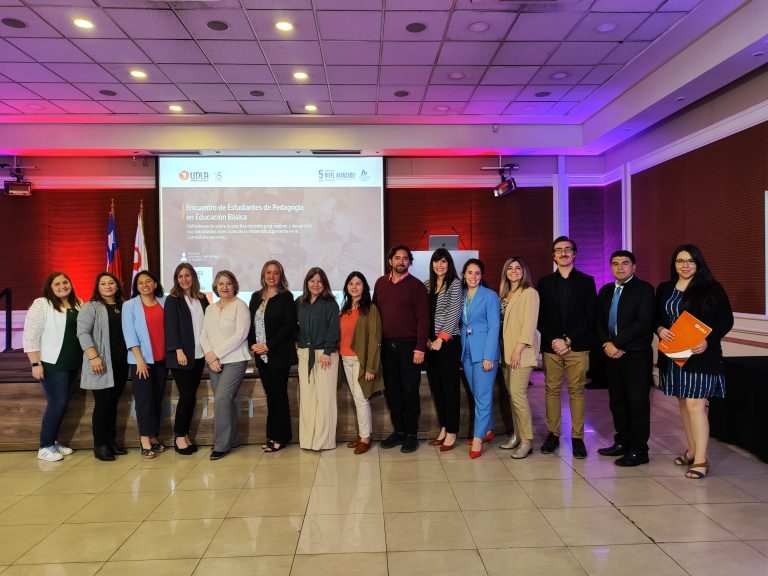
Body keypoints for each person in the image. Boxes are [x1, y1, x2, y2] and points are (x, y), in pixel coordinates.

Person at [656, 244, 733, 479]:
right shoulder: (665, 288)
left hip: (701, 355)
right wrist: (659, 329)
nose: (685, 265)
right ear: (674, 264)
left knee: (695, 405)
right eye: (680, 261)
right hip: (674, 355)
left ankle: (701, 460)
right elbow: (656, 317)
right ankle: (691, 451)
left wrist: (708, 341)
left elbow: (725, 320)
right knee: (683, 403)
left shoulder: (712, 288)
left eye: (690, 261)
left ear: (698, 264)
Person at [537, 236, 596, 458]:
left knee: (576, 391)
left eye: (567, 249)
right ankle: (553, 435)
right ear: (553, 256)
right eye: (558, 250)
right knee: (551, 390)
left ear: (574, 254)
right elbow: (541, 317)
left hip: (578, 346)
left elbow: (590, 316)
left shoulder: (587, 281)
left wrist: (568, 340)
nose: (563, 253)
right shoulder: (544, 283)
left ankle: (577, 438)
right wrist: (555, 340)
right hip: (551, 346)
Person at [595, 251, 656, 467]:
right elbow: (598, 321)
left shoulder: (645, 290)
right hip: (611, 355)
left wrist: (616, 344)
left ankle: (639, 450)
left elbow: (643, 323)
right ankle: (622, 442)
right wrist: (606, 344)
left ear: (634, 267)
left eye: (624, 263)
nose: (620, 268)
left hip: (636, 356)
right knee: (617, 402)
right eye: (615, 264)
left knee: (637, 403)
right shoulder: (605, 291)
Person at [373, 245, 430, 453]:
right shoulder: (380, 284)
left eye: (405, 259)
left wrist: (420, 348)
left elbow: (424, 319)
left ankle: (411, 434)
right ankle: (398, 431)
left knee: (410, 392)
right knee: (393, 391)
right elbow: (374, 316)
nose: (401, 262)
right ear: (390, 261)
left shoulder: (417, 286)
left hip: (409, 347)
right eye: (397, 258)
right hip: (387, 347)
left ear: (410, 262)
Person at [23, 272, 82, 462]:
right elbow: (30, 335)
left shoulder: (78, 303)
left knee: (62, 403)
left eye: (66, 282)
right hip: (52, 363)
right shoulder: (42, 304)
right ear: (50, 286)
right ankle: (45, 446)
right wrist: (35, 363)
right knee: (56, 403)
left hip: (73, 363)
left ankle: (53, 442)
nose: (62, 286)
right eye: (57, 283)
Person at [77, 272, 129, 461]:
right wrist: (94, 357)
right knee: (103, 405)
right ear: (97, 288)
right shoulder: (91, 307)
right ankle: (100, 445)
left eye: (111, 282)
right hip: (101, 363)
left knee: (113, 404)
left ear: (117, 285)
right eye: (103, 284)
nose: (107, 286)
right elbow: (82, 333)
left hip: (121, 363)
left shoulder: (125, 306)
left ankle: (110, 441)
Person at [248, 260, 297, 453]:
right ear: (263, 275)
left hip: (279, 355)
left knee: (279, 396)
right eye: (268, 272)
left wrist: (269, 345)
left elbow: (288, 326)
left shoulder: (286, 297)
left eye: (276, 273)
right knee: (271, 396)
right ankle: (272, 435)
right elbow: (250, 323)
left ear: (281, 276)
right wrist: (253, 344)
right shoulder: (255, 297)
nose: (271, 276)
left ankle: (280, 437)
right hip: (261, 357)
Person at [200, 270, 250, 461]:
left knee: (221, 398)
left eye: (228, 283)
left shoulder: (240, 306)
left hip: (235, 360)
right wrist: (210, 357)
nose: (224, 287)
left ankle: (220, 445)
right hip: (214, 362)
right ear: (216, 286)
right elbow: (203, 335)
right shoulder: (210, 309)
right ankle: (232, 440)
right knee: (225, 402)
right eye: (221, 284)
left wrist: (215, 354)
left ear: (234, 286)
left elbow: (240, 336)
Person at [164, 263, 209, 455]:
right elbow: (170, 327)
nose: (184, 279)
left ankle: (185, 434)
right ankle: (179, 436)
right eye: (180, 276)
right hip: (181, 356)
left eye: (187, 275)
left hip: (199, 355)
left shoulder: (202, 299)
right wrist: (178, 350)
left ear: (194, 278)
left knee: (190, 397)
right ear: (176, 279)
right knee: (187, 396)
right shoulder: (173, 299)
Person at [122, 270, 167, 459]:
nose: (145, 285)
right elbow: (129, 334)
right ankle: (144, 440)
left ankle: (154, 436)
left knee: (157, 399)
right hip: (141, 361)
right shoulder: (129, 305)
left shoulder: (165, 301)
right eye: (140, 283)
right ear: (136, 287)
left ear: (155, 284)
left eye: (148, 281)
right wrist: (139, 359)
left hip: (162, 359)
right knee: (144, 400)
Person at [499, 257, 540, 459]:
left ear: (524, 272)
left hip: (520, 354)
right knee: (512, 397)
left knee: (518, 396)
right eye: (510, 268)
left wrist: (517, 350)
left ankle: (527, 441)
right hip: (505, 354)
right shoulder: (504, 294)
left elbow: (529, 325)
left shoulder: (530, 293)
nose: (513, 271)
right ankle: (517, 435)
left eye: (518, 268)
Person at [296, 267, 340, 451]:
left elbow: (334, 329)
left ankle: (324, 441)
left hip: (325, 354)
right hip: (305, 354)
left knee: (325, 400)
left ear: (325, 284)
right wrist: (296, 342)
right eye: (312, 281)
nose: (315, 284)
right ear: (307, 282)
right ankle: (307, 441)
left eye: (319, 281)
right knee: (307, 399)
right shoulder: (299, 302)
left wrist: (328, 351)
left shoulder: (330, 303)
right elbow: (293, 325)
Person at [339, 271, 383, 455]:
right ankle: (362, 434)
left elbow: (375, 339)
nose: (354, 287)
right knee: (357, 400)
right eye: (351, 283)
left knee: (361, 399)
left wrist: (371, 367)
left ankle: (365, 437)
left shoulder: (370, 309)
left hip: (361, 361)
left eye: (358, 283)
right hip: (345, 359)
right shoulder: (345, 307)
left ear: (364, 287)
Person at [461, 259, 500, 459]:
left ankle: (478, 438)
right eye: (470, 273)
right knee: (478, 393)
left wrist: (489, 356)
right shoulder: (460, 296)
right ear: (464, 274)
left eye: (477, 273)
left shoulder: (490, 296)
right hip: (466, 351)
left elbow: (494, 327)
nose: (473, 277)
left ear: (482, 275)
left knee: (483, 395)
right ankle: (487, 429)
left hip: (484, 352)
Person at [424, 248, 462, 452]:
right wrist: (427, 340)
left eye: (444, 262)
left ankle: (453, 430)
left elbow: (454, 312)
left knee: (449, 388)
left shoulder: (454, 284)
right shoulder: (427, 285)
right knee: (437, 388)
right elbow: (422, 314)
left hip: (448, 344)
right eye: (437, 262)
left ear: (449, 264)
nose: (440, 265)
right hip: (431, 346)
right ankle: (444, 427)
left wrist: (441, 338)